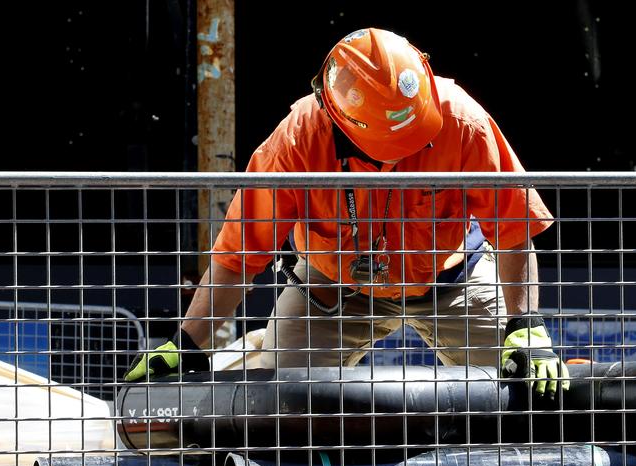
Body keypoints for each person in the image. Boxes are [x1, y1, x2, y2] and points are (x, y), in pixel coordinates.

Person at [125, 27, 569, 399]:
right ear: (343, 125)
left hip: (450, 277)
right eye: (389, 153)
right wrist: (186, 343)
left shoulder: (462, 120)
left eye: (412, 144)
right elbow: (238, 254)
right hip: (331, 289)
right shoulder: (298, 140)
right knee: (281, 400)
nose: (399, 161)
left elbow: (513, 227)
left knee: (527, 384)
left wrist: (525, 323)